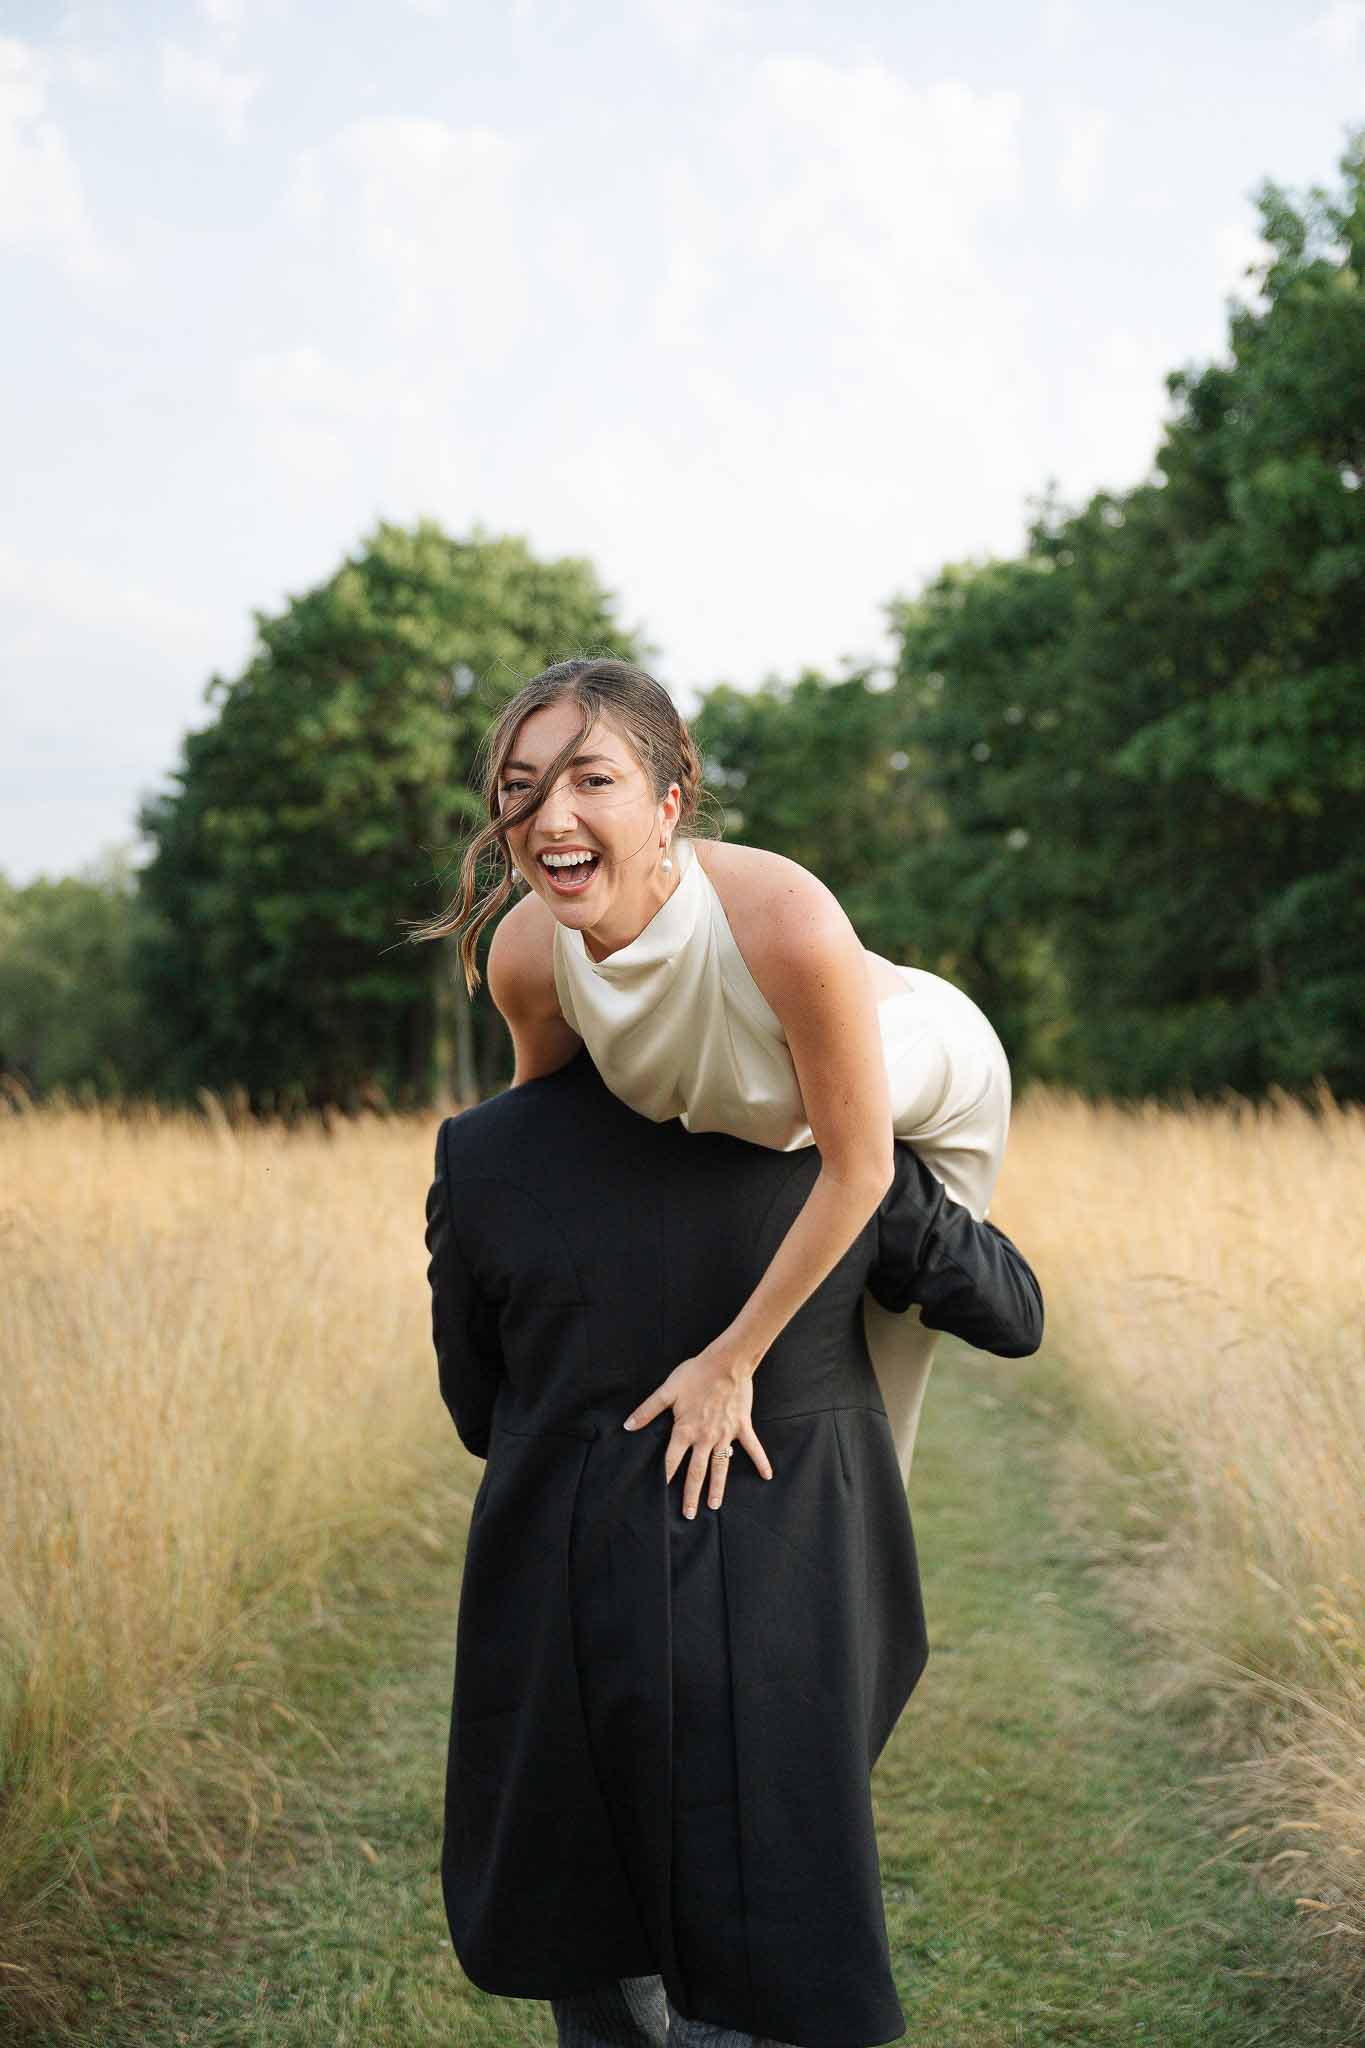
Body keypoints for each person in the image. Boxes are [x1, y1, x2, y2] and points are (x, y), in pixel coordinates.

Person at [424, 1048, 1043, 2047]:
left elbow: (475, 1405)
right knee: (764, 1941)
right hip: (780, 1601)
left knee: (590, 1915)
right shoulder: (832, 1143)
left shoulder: (481, 1146)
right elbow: (1012, 1313)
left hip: (572, 1599)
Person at [408, 657, 1012, 1496]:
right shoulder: (526, 954)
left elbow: (859, 1167)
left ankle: (858, 1577)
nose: (552, 819)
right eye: (523, 787)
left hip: (921, 1074)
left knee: (861, 1374)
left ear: (668, 805)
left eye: (592, 780)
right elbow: (547, 1136)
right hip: (748, 1099)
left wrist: (730, 1360)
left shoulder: (786, 919)